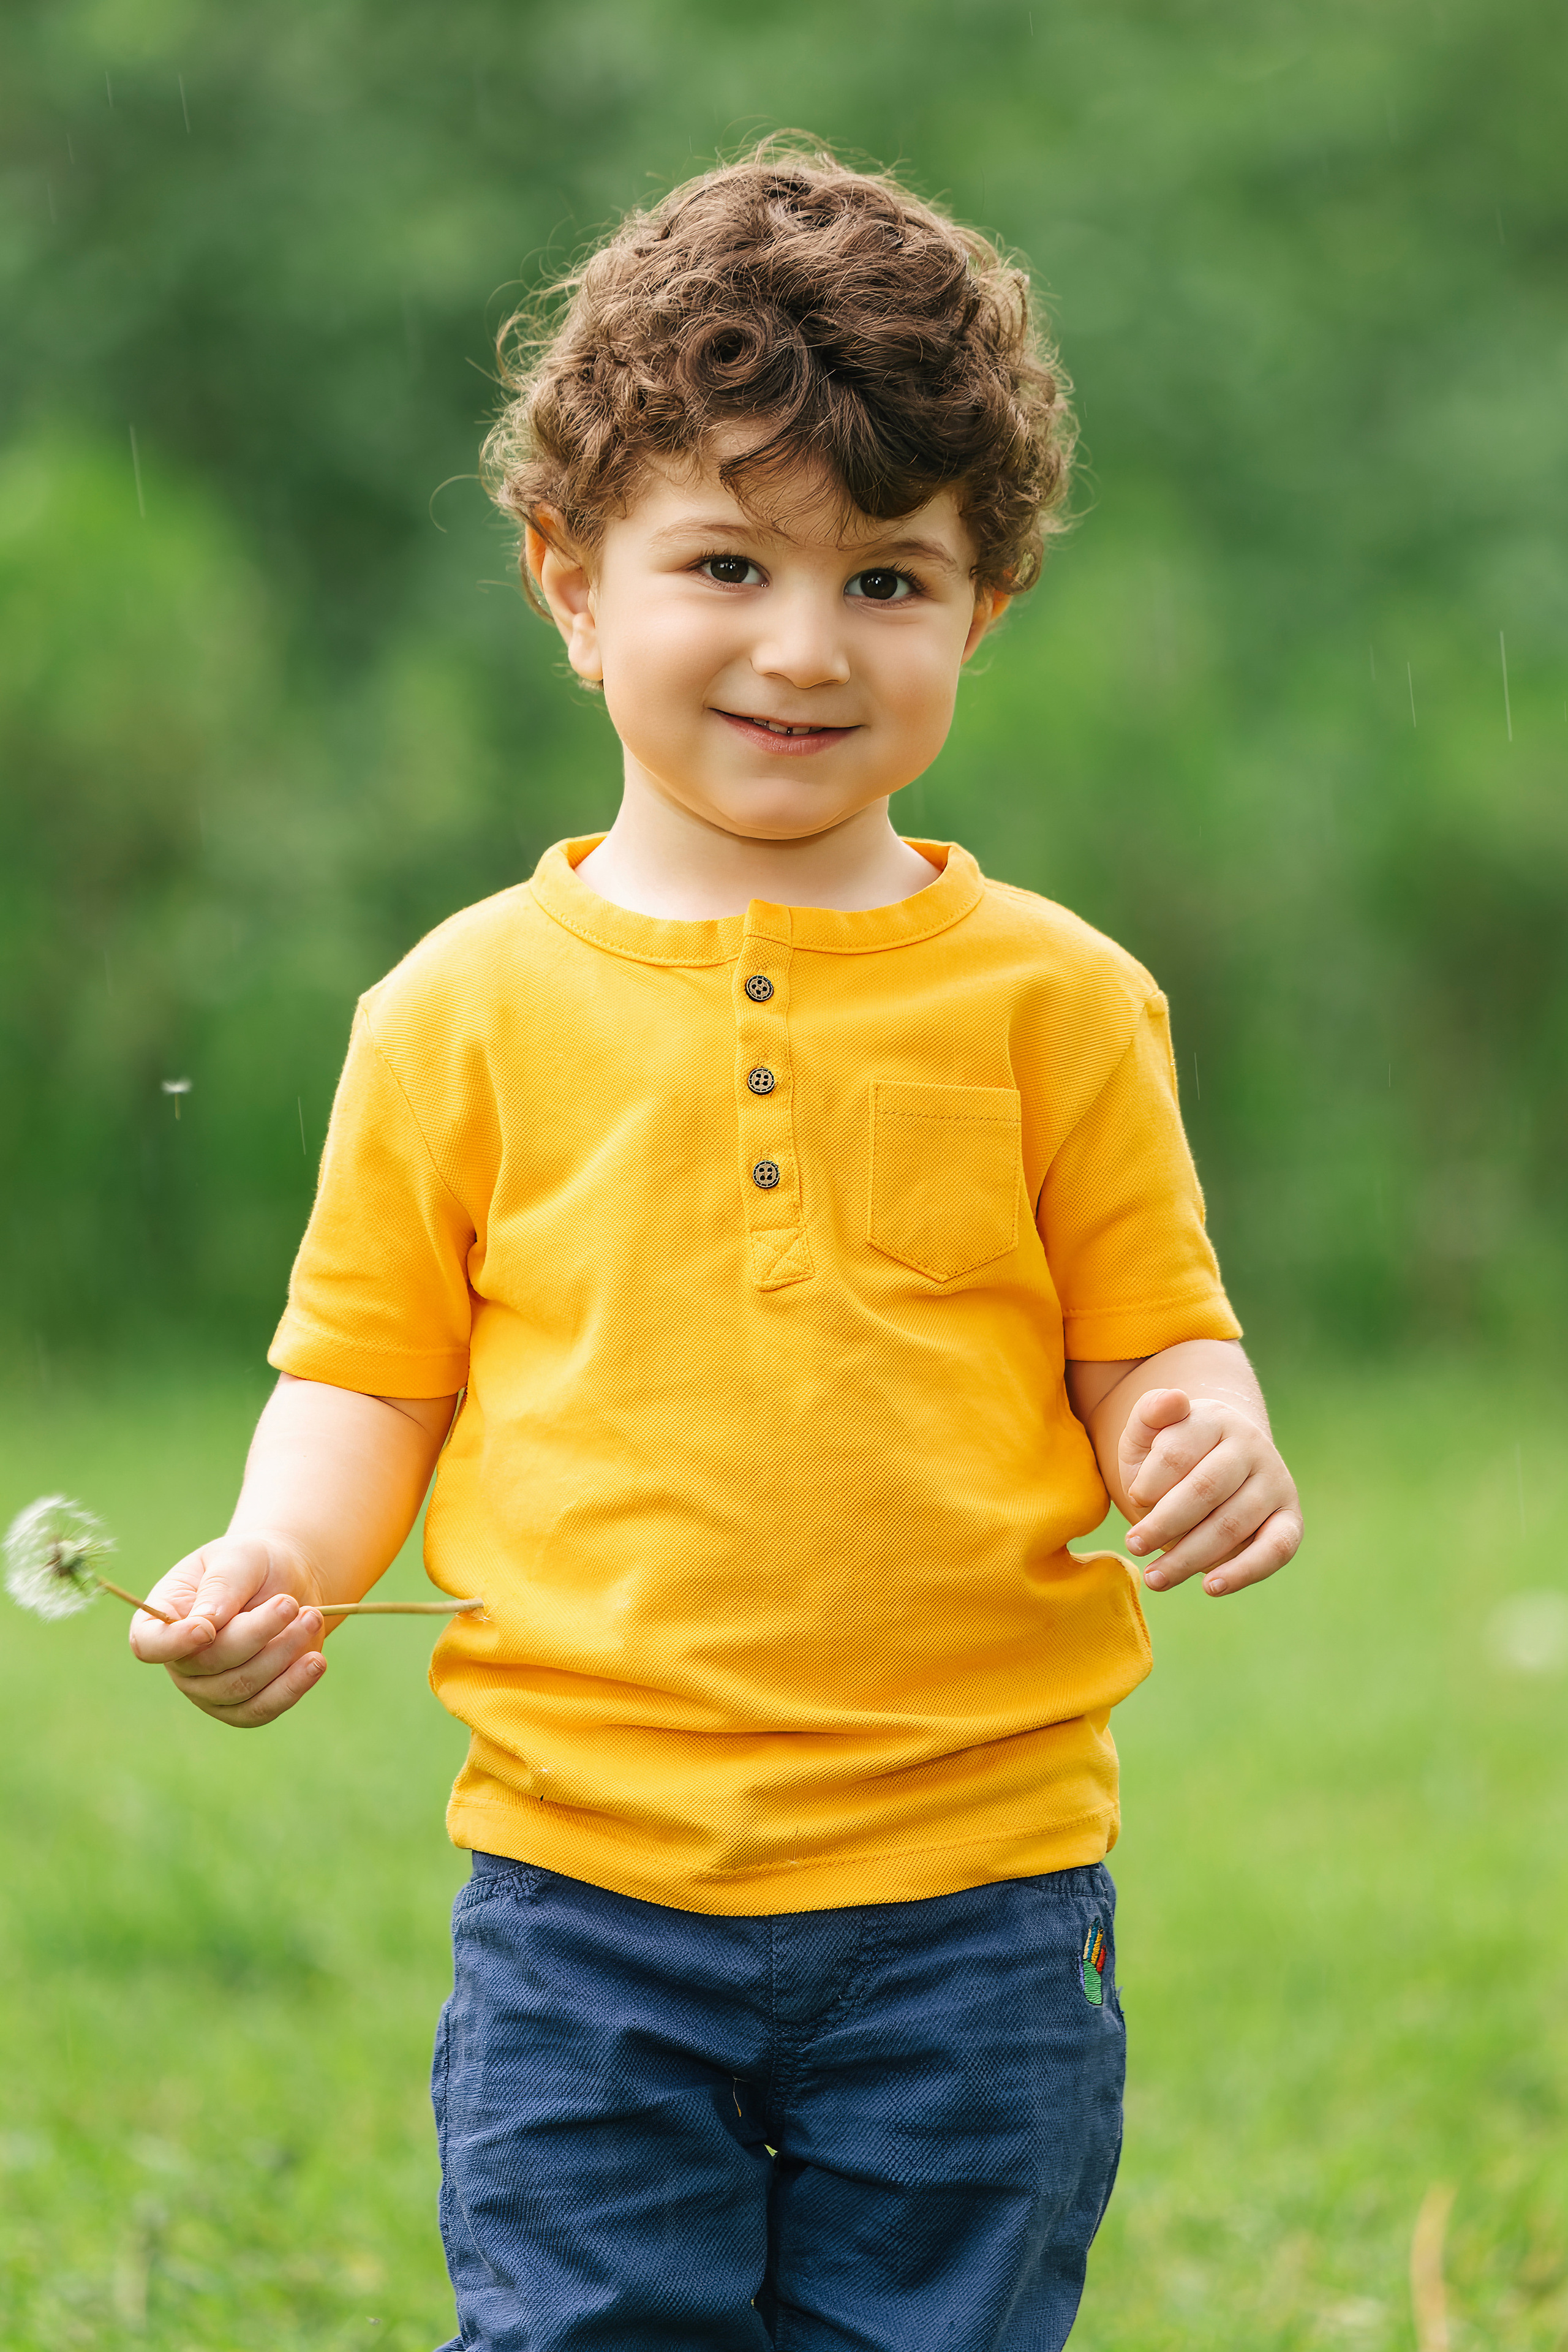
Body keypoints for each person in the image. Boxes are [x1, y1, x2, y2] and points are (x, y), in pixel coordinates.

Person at [132, 140, 1302, 2351]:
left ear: (983, 609)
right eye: (727, 562)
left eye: (889, 578)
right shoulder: (458, 1010)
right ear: (572, 582)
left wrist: (1201, 1428)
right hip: (586, 1897)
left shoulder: (1059, 1001)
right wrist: (278, 1557)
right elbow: (372, 1372)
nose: (802, 646)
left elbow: (1154, 1337)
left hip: (978, 1895)